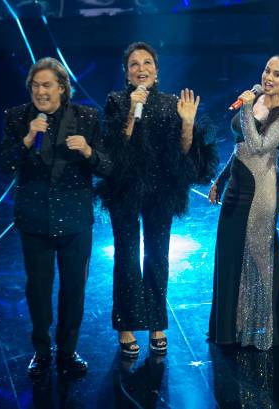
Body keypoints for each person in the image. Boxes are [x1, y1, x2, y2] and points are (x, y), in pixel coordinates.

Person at [97, 42, 217, 357]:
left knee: (157, 256)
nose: (141, 69)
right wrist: (132, 112)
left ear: (157, 71)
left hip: (160, 190)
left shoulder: (170, 102)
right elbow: (112, 147)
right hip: (124, 187)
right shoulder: (116, 101)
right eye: (134, 64)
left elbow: (184, 151)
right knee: (125, 255)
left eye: (147, 63)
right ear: (126, 72)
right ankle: (125, 325)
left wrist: (188, 122)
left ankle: (156, 323)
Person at [0, 57, 113, 376]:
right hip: (34, 221)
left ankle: (67, 351)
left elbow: (107, 166)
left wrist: (88, 151)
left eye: (47, 85)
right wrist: (26, 138)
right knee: (37, 289)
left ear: (62, 87)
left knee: (74, 290)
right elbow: (4, 164)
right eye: (35, 86)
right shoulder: (17, 117)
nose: (40, 91)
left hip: (75, 220)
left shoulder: (87, 117)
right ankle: (41, 351)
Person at [208, 54, 279, 351]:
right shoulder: (256, 95)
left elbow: (258, 145)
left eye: (277, 74)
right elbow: (240, 148)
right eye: (266, 70)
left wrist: (247, 107)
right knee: (229, 255)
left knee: (261, 259)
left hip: (261, 190)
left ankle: (272, 328)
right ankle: (229, 329)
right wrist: (221, 180)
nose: (268, 77)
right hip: (237, 183)